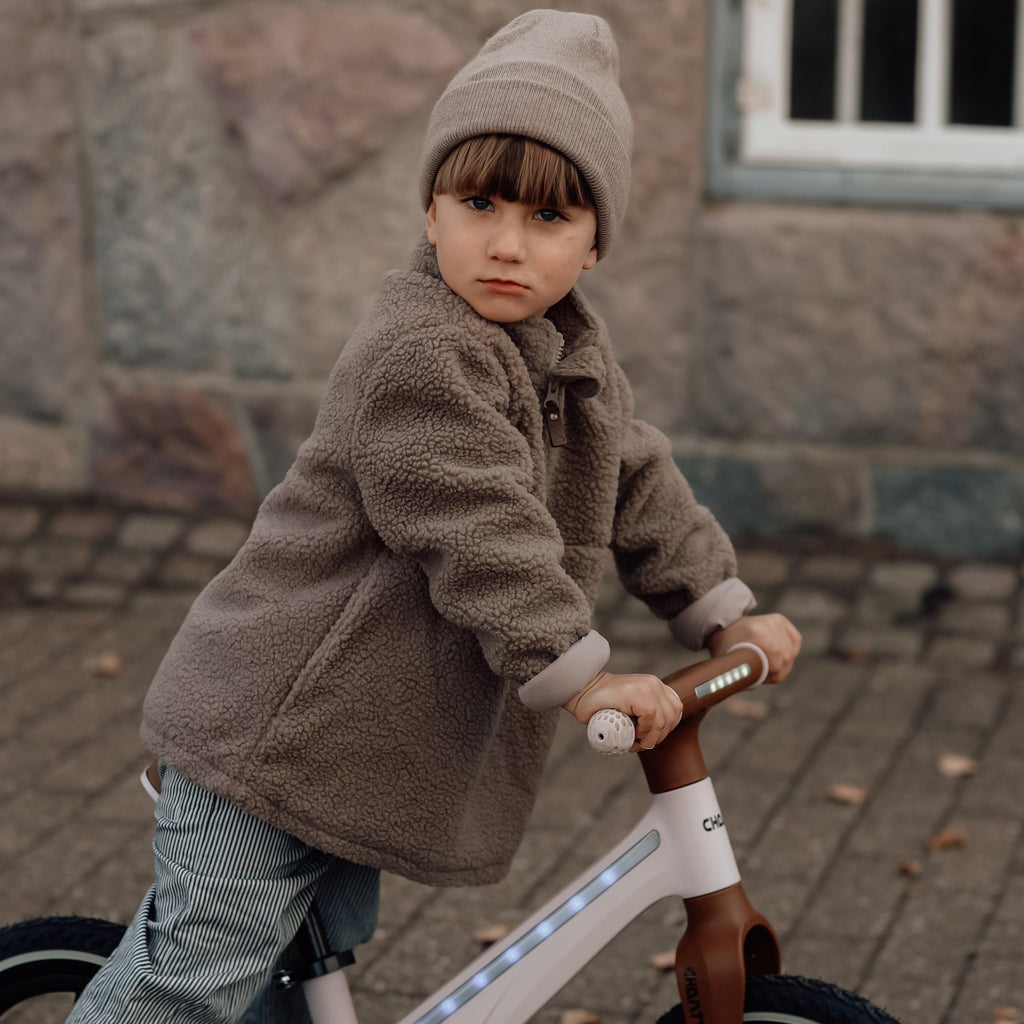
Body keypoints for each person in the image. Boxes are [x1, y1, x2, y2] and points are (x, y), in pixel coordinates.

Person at [67, 10, 801, 1023]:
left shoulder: (565, 351)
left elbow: (630, 472)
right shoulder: (419, 354)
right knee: (197, 976)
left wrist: (721, 610)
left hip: (353, 750)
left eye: (549, 217)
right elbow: (475, 524)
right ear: (429, 210)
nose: (505, 243)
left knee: (294, 977)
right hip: (271, 734)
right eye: (479, 202)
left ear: (595, 242)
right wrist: (582, 674)